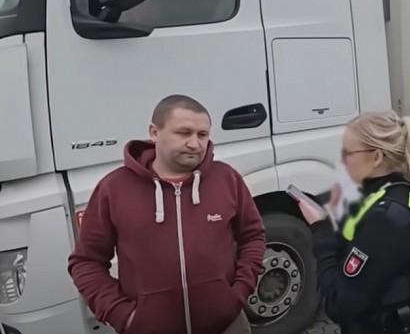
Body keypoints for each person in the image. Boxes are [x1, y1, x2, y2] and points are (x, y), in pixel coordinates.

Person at [67, 94, 266, 334]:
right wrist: (122, 315)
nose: (195, 144)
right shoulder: (114, 188)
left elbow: (253, 237)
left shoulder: (227, 179)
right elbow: (86, 262)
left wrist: (238, 293)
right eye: (184, 133)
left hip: (227, 325)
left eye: (202, 135)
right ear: (154, 133)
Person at [297, 111, 410, 334]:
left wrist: (322, 233)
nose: (342, 161)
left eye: (348, 153)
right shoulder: (399, 195)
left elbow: (339, 304)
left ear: (377, 158)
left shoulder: (386, 220)